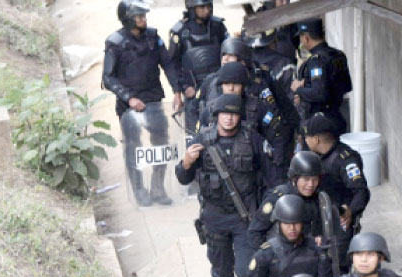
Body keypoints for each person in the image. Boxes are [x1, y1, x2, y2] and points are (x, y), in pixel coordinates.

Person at [175, 94, 264, 277]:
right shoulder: (202, 139)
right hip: (214, 219)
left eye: (234, 113)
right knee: (222, 273)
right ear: (216, 116)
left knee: (248, 271)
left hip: (244, 217)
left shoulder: (252, 139)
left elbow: (268, 175)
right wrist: (187, 162)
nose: (229, 117)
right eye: (224, 113)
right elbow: (182, 177)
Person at [102, 0, 181, 207]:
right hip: (129, 105)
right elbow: (108, 78)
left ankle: (158, 187)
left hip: (153, 99)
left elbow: (168, 65)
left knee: (161, 144)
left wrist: (177, 91)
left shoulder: (153, 37)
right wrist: (128, 97)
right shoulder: (115, 43)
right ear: (128, 19)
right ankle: (139, 189)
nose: (144, 19)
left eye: (144, 16)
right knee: (133, 148)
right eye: (139, 16)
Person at [198, 37, 291, 190]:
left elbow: (276, 133)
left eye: (230, 56)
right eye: (223, 56)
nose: (231, 88)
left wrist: (276, 174)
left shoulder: (257, 94)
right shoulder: (210, 90)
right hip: (217, 170)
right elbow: (199, 136)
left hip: (250, 167)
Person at [302, 113, 370, 272]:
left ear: (316, 140)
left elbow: (361, 192)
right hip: (318, 219)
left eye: (308, 137)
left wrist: (350, 211)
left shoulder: (345, 159)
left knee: (337, 268)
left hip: (338, 224)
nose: (305, 140)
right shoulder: (314, 157)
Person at [168, 0, 229, 132]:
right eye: (202, 7)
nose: (206, 10)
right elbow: (172, 64)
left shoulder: (217, 26)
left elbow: (230, 51)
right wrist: (182, 88)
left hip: (218, 87)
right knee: (194, 135)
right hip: (194, 90)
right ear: (191, 8)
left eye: (208, 6)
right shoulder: (180, 31)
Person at [248, 151, 323, 249]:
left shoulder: (319, 200)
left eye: (315, 179)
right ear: (294, 178)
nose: (311, 184)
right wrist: (269, 257)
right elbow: (254, 233)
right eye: (306, 179)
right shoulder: (277, 197)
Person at [290, 18, 352, 135]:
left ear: (306, 37)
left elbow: (320, 93)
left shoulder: (317, 61)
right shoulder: (338, 55)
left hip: (320, 126)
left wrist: (299, 89)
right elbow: (345, 86)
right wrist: (307, 87)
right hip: (337, 116)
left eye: (301, 37)